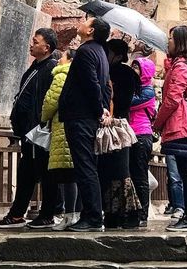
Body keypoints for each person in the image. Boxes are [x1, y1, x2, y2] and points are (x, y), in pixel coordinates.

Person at [0, 28, 59, 229]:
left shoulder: (50, 69)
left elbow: (47, 101)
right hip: (29, 132)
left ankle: (46, 213)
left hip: (39, 131)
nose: (31, 44)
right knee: (27, 173)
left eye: (36, 41)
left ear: (46, 47)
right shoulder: (35, 67)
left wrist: (39, 123)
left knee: (43, 173)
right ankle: (17, 214)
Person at [59, 16, 111, 232]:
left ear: (90, 31)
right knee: (88, 166)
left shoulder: (86, 51)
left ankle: (92, 217)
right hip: (87, 115)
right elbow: (104, 85)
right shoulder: (101, 53)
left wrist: (99, 109)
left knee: (85, 167)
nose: (83, 22)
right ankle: (92, 215)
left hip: (81, 116)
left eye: (87, 21)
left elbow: (92, 83)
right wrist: (103, 107)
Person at [153, 26, 187, 232]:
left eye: (172, 39)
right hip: (186, 125)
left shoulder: (181, 68)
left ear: (181, 43)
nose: (169, 42)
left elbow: (172, 99)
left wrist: (157, 123)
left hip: (181, 125)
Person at [100, 39, 141, 228]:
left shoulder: (123, 74)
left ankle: (125, 213)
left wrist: (110, 89)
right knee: (112, 172)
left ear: (116, 54)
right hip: (116, 126)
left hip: (116, 126)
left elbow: (122, 101)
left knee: (119, 172)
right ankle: (114, 213)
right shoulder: (118, 72)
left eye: (108, 51)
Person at [41, 48, 80, 230]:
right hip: (73, 126)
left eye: (63, 56)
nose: (58, 60)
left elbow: (51, 101)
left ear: (70, 60)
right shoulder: (79, 75)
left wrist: (43, 117)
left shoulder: (61, 75)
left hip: (61, 127)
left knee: (66, 175)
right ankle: (75, 214)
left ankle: (68, 215)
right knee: (73, 174)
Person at [129, 56, 157, 227]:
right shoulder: (132, 88)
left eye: (137, 67)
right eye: (132, 66)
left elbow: (128, 103)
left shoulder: (148, 91)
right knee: (130, 175)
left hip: (141, 135)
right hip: (129, 134)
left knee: (140, 176)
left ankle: (142, 214)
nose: (133, 69)